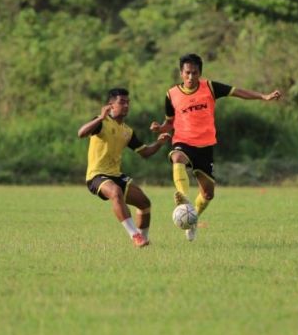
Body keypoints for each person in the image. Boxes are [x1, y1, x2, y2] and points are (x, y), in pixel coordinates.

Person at [150, 53, 282, 242]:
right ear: (181, 73)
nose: (190, 77)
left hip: (205, 146)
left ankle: (193, 218)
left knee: (208, 194)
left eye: (194, 73)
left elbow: (238, 92)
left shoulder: (210, 87)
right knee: (177, 157)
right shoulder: (172, 94)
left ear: (200, 73)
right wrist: (159, 128)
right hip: (183, 141)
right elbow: (169, 122)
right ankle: (184, 199)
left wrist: (264, 96)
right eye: (187, 73)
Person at [78, 88, 170, 248]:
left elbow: (145, 152)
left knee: (144, 203)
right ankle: (135, 235)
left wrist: (160, 143)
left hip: (115, 175)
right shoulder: (101, 123)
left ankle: (143, 239)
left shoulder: (127, 131)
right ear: (110, 105)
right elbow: (81, 133)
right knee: (115, 192)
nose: (126, 105)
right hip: (96, 176)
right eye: (122, 102)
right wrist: (100, 117)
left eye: (128, 102)